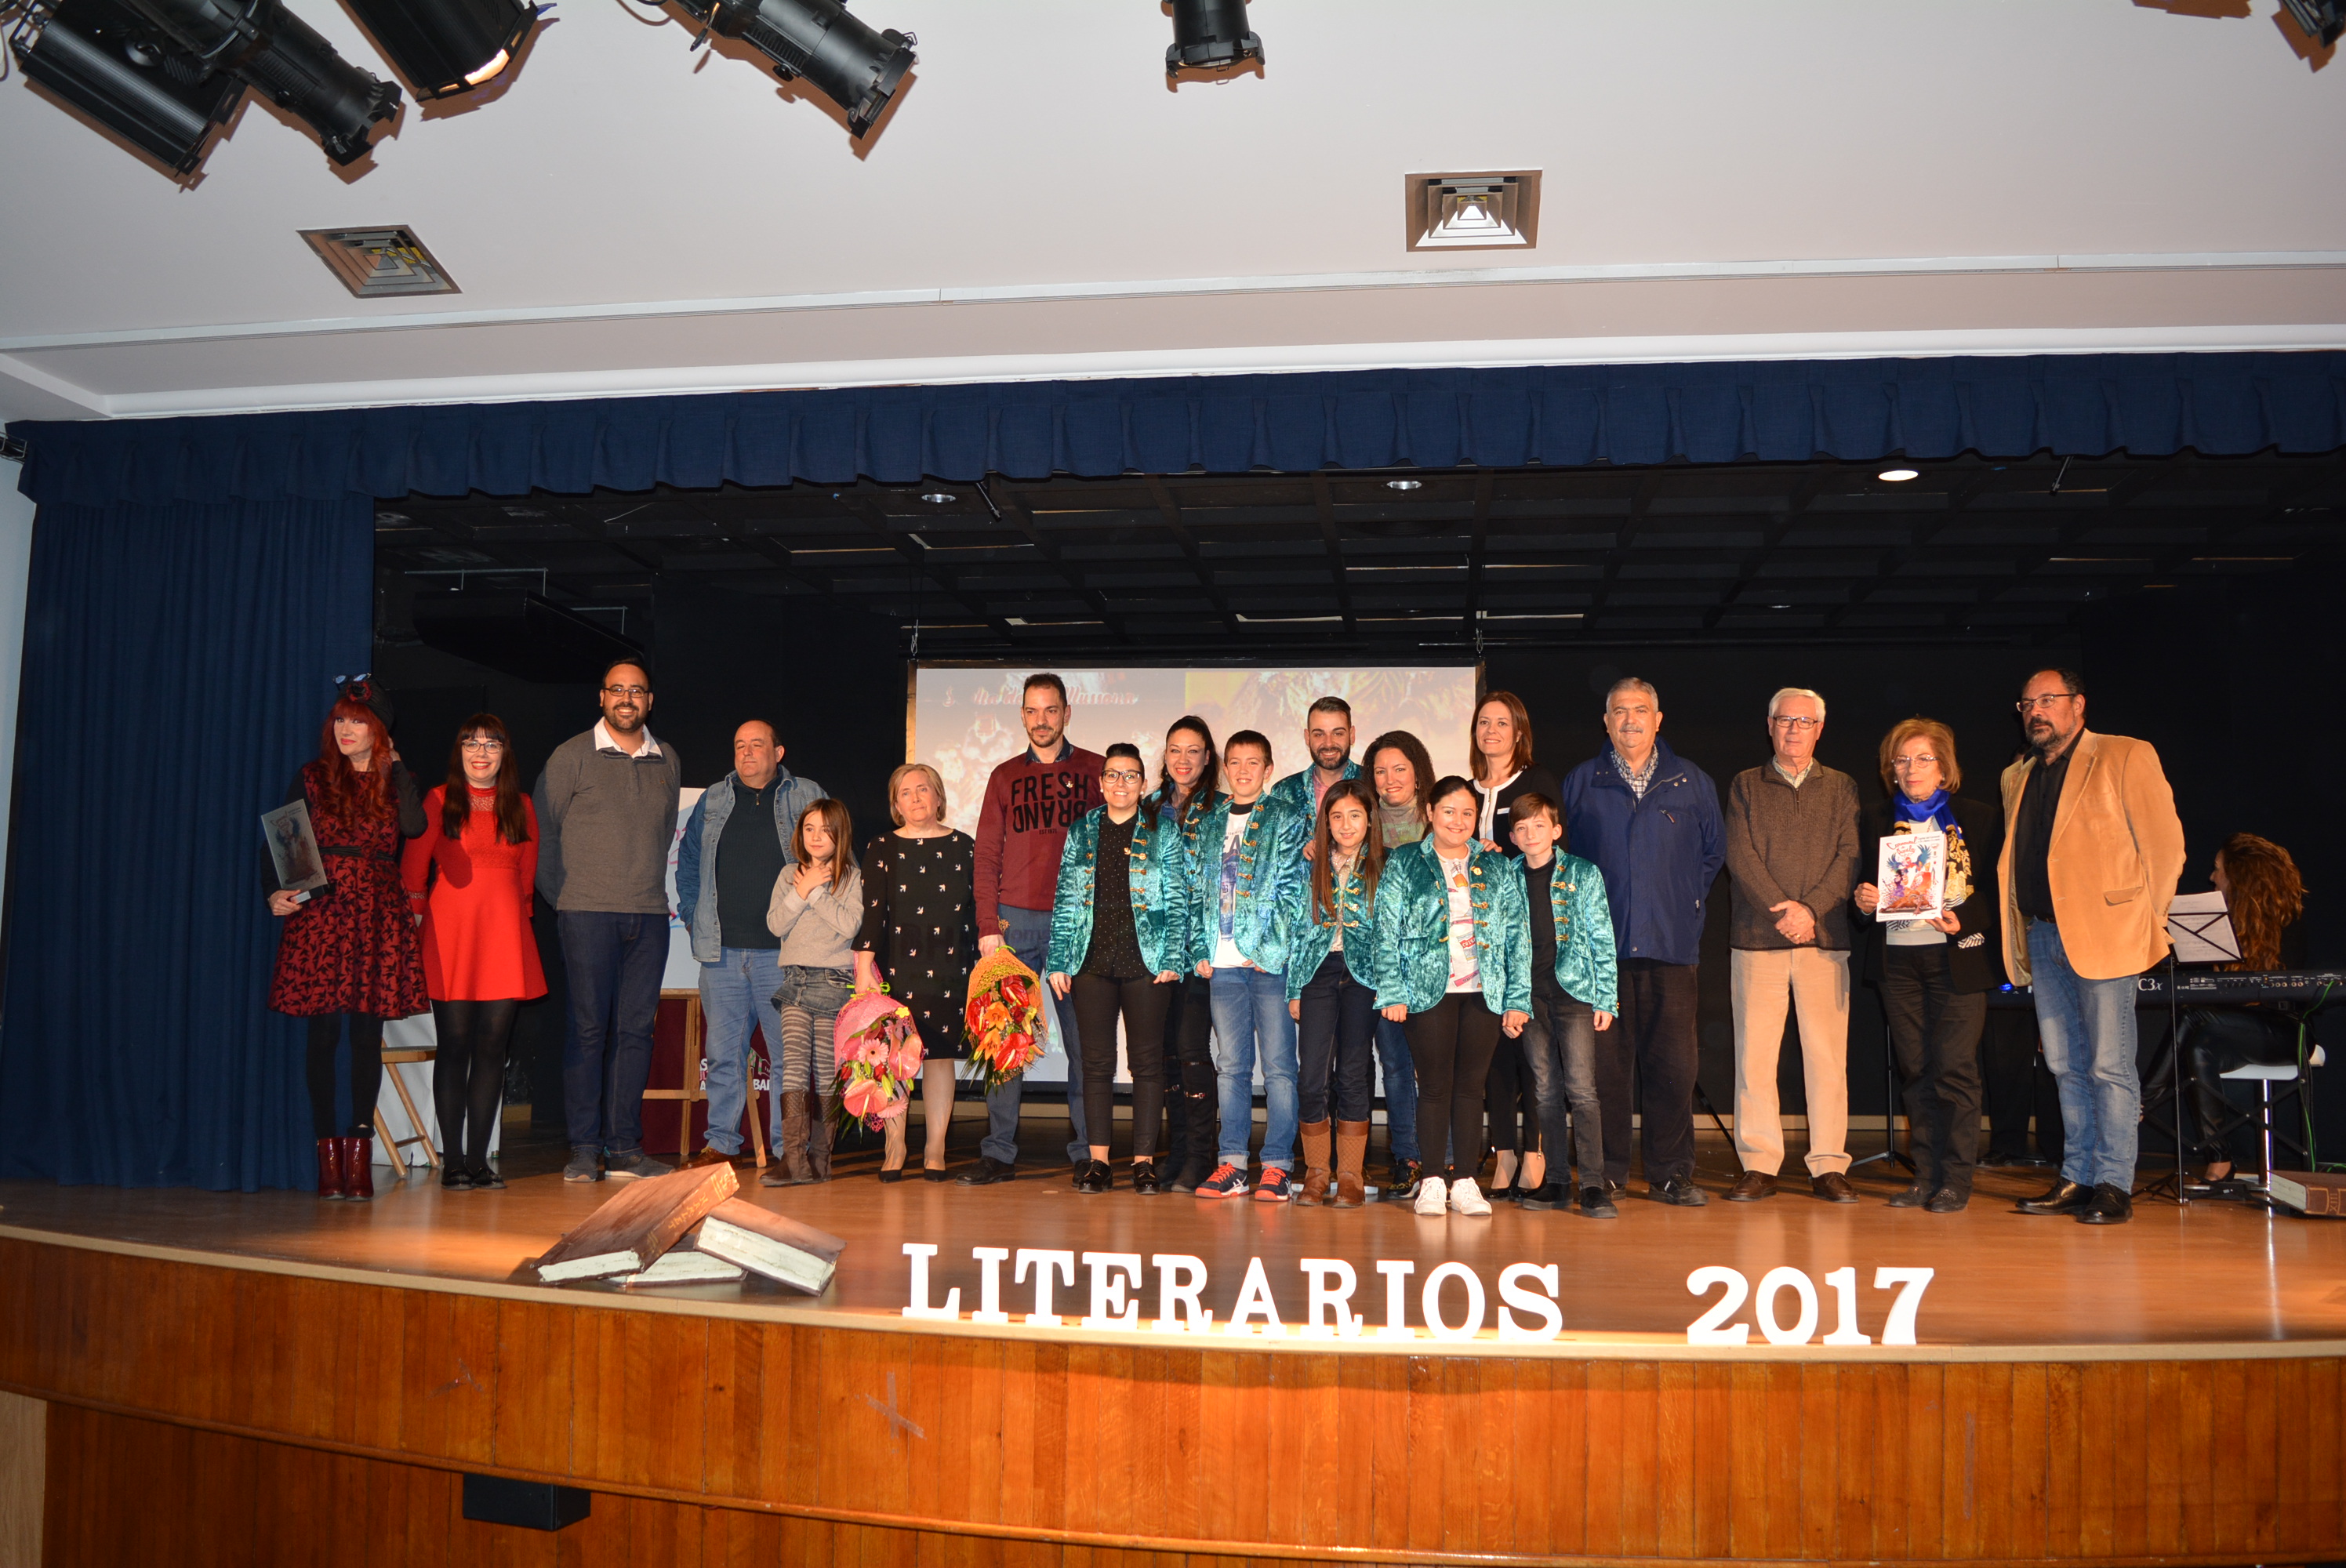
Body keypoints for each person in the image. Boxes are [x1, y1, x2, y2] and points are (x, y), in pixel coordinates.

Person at [2002, 667, 2186, 1226]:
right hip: (2042, 933)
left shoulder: (2125, 755)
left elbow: (2165, 849)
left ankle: (2113, 1183)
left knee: (2109, 1065)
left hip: (2108, 934)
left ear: (2078, 704)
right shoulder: (2017, 775)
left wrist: (2144, 922)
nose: (2036, 711)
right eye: (2027, 703)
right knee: (2065, 1065)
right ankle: (2077, 1175)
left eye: (2048, 700)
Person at [1559, 678, 1723, 1207]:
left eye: (1640, 710)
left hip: (1671, 949)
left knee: (1674, 1069)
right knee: (1604, 1071)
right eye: (1619, 711)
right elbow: (1565, 864)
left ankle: (1671, 1173)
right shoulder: (1582, 782)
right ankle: (1605, 1172)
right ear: (1606, 722)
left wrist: (1683, 904)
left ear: (1659, 719)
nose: (1630, 719)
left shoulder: (1691, 781)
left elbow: (1712, 855)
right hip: (1601, 956)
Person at [268, 678, 427, 1202]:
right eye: (340, 719)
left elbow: (414, 825)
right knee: (323, 1035)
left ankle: (358, 1154)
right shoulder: (312, 776)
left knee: (365, 1034)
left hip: (376, 911)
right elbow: (284, 840)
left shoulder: (397, 779)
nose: (346, 729)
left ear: (378, 730)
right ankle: (327, 1158)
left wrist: (396, 768)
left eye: (358, 721)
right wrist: (276, 892)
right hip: (322, 910)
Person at [536, 659, 684, 1184]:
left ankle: (624, 1148)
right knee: (588, 1029)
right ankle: (583, 1148)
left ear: (650, 701)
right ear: (601, 697)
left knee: (636, 1031)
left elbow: (664, 832)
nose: (626, 698)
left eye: (636, 690)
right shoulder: (571, 755)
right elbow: (544, 836)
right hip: (586, 913)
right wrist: (566, 899)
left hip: (649, 915)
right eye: (617, 690)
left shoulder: (667, 759)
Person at [1851, 718, 2003, 1213]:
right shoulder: (1874, 819)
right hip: (1898, 961)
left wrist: (1964, 918)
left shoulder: (1977, 817)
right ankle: (1925, 1176)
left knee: (1954, 1070)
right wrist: (1864, 899)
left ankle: (1956, 1179)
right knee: (1916, 1071)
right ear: (1890, 769)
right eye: (1901, 760)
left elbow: (2000, 893)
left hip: (1957, 960)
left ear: (1944, 768)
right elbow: (1859, 890)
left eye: (1922, 759)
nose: (1911, 768)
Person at [961, 675, 1103, 1187]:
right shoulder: (1003, 777)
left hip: (1076, 924)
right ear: (1022, 715)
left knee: (1086, 1046)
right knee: (1004, 1040)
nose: (1041, 720)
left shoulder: (1097, 771)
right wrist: (987, 926)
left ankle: (1090, 1153)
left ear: (1067, 713)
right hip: (1013, 923)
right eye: (1032, 711)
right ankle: (998, 1153)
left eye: (1050, 710)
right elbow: (986, 856)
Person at [1722, 687, 1861, 1203]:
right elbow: (1740, 856)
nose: (1794, 729)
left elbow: (1849, 857)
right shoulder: (1745, 785)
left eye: (1804, 722)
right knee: (1755, 1060)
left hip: (1823, 940)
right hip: (1758, 940)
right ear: (1770, 725)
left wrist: (1810, 911)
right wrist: (1784, 912)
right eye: (1785, 720)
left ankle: (1828, 1166)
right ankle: (1760, 1164)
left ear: (1820, 729)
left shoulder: (1842, 787)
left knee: (1827, 1059)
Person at [1373, 775, 1531, 1218]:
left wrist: (1517, 998)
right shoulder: (1406, 861)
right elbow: (1385, 931)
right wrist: (1392, 990)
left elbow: (1517, 935)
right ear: (1430, 813)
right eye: (1449, 811)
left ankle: (1464, 1181)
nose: (1458, 821)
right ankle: (1431, 1181)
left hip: (1484, 991)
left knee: (1471, 1088)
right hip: (1428, 991)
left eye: (1467, 813)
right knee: (1434, 1086)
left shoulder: (1496, 864)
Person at [400, 713, 545, 1191]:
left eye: (491, 744)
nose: (481, 753)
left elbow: (527, 879)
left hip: (504, 935)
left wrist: (518, 927)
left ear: (505, 754)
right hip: (451, 935)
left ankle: (481, 1161)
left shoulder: (522, 806)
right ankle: (454, 1161)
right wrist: (417, 927)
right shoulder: (439, 800)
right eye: (471, 744)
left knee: (492, 1048)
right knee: (455, 1045)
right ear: (459, 752)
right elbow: (413, 872)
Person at [675, 720, 828, 1172]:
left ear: (778, 753)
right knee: (722, 1056)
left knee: (788, 1059)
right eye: (739, 745)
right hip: (721, 954)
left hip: (785, 953)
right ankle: (722, 1143)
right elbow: (688, 864)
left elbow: (838, 860)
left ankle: (787, 1149)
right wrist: (693, 918)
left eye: (757, 745)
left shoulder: (805, 794)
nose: (746, 753)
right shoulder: (713, 799)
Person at [1046, 744, 1189, 1195]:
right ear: (1101, 782)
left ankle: (1144, 1164)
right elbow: (1066, 898)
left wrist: (1173, 957)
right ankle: (1099, 1162)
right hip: (1091, 961)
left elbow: (1178, 898)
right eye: (1113, 775)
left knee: (1147, 1064)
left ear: (1143, 784)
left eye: (1130, 776)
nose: (1121, 783)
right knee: (1096, 1065)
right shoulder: (1082, 830)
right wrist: (1058, 959)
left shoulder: (1163, 830)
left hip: (1147, 961)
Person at [1190, 730, 1310, 1202]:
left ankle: (1278, 1165)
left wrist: (1268, 951)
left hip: (1268, 966)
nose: (1243, 771)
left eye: (1253, 762)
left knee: (1279, 1067)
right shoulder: (1208, 822)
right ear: (1225, 769)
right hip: (1221, 967)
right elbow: (1195, 891)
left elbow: (1294, 891)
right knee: (1231, 1067)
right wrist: (1198, 949)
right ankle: (1233, 1163)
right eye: (1235, 762)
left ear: (1268, 769)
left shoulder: (1285, 816)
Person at [856, 764, 978, 1180]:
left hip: (951, 966)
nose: (915, 798)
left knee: (940, 1057)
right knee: (893, 1058)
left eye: (923, 789)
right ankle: (895, 1145)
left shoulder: (964, 846)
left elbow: (977, 911)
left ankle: (935, 1147)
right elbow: (873, 913)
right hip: (897, 966)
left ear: (938, 796)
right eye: (905, 793)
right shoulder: (881, 847)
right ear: (896, 804)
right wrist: (864, 965)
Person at [1506, 793, 1620, 1219]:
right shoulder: (1506, 877)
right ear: (1513, 837)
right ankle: (1556, 1181)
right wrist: (1509, 1001)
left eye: (1539, 825)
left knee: (1582, 1090)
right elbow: (1499, 942)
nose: (1530, 834)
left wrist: (1605, 996)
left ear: (1555, 831)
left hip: (1575, 994)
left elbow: (1602, 936)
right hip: (1529, 997)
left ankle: (1592, 1185)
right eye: (1521, 828)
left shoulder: (1583, 873)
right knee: (1544, 1091)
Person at [1469, 689, 1562, 1198]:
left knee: (1533, 1051)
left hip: (1530, 933)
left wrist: (1499, 853)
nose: (1491, 731)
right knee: (1493, 1055)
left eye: (1502, 723)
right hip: (1480, 941)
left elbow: (1547, 852)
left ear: (1519, 731)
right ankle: (1503, 1152)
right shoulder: (1464, 790)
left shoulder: (1537, 781)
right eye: (1484, 722)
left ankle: (1535, 1153)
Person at [1280, 779, 1386, 1207]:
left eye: (1355, 815)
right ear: (1325, 822)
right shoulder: (1310, 865)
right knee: (1311, 1077)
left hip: (1364, 976)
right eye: (1337, 816)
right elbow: (1296, 930)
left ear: (1370, 820)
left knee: (1354, 1074)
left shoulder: (1387, 864)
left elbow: (1393, 929)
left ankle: (1350, 1176)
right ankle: (1317, 1173)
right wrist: (1294, 987)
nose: (1346, 824)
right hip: (1317, 974)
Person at [2181, 833, 2308, 1184]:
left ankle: (2142, 1100)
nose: (2211, 877)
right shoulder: (2218, 925)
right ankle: (2220, 1160)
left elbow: (2286, 995)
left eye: (2218, 869)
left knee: (2194, 1017)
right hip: (2233, 1030)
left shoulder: (2286, 920)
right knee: (2198, 1045)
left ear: (2240, 875)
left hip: (2284, 1032)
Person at [762, 798, 860, 1186]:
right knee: (793, 1067)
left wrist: (817, 892)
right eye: (809, 829)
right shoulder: (790, 874)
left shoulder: (851, 876)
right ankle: (793, 1160)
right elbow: (775, 924)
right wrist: (801, 891)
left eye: (825, 830)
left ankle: (821, 1159)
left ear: (840, 834)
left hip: (833, 983)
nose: (816, 837)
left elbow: (850, 926)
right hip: (795, 982)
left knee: (825, 1072)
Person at [1151, 716, 1222, 1192]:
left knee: (1193, 1050)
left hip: (1201, 953)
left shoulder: (1221, 810)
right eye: (1175, 750)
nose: (1183, 759)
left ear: (1207, 757)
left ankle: (1201, 1155)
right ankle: (1177, 1151)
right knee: (1166, 1055)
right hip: (1155, 954)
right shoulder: (1148, 809)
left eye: (1193, 751)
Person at [1266, 695, 1360, 819]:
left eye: (1338, 734)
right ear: (1307, 737)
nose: (1328, 743)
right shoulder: (1283, 792)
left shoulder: (1372, 785)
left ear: (1352, 735)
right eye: (1319, 734)